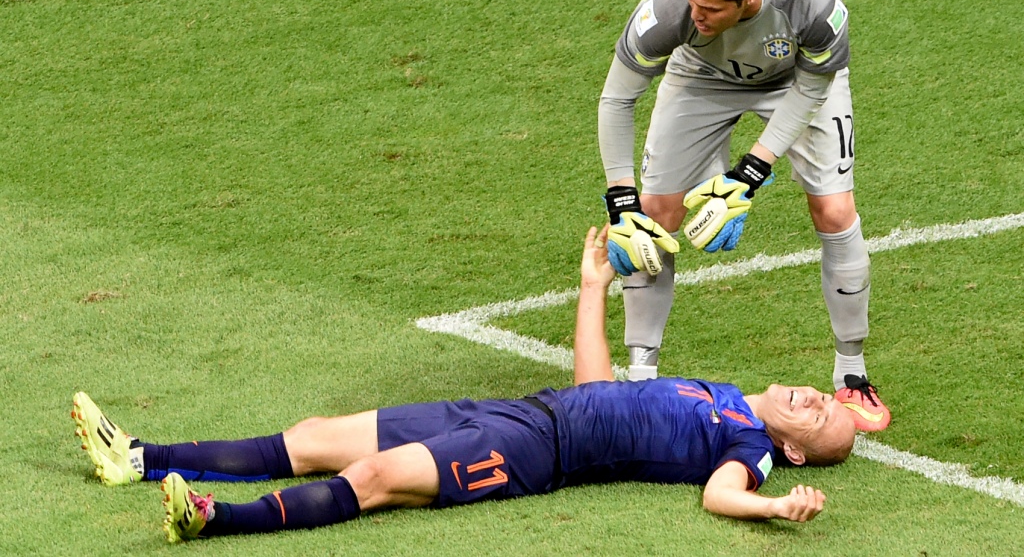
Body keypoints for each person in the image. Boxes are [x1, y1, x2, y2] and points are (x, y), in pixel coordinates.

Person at [72, 226, 855, 543]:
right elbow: (597, 392)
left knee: (373, 478)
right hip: (523, 411)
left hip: (532, 454)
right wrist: (592, 289)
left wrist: (773, 506)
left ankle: (213, 522)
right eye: (824, 397)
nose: (815, 400)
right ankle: (139, 458)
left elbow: (721, 495)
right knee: (312, 437)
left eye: (819, 420)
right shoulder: (720, 393)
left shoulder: (749, 446)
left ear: (792, 449)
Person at [597, 0, 890, 431]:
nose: (696, 15)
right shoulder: (671, 6)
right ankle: (641, 383)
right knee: (652, 217)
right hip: (702, 75)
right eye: (692, 3)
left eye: (710, 9)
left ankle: (852, 374)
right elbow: (616, 98)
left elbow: (812, 90)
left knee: (835, 210)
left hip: (796, 78)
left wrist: (748, 174)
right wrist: (622, 201)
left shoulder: (813, 2)